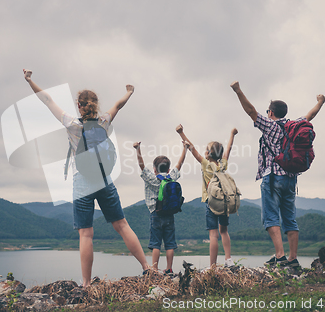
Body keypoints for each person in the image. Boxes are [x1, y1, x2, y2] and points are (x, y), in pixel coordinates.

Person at [23, 69, 149, 286]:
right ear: (96, 104)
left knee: (86, 234)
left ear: (79, 105)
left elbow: (47, 99)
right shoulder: (103, 121)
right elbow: (118, 105)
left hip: (82, 182)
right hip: (104, 179)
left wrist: (29, 80)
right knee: (122, 225)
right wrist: (129, 92)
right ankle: (147, 268)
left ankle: (87, 283)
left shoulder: (72, 124)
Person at [229, 81, 325, 268]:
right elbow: (310, 115)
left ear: (271, 113)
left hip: (272, 177)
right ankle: (293, 258)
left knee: (271, 217)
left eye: (268, 112)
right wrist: (320, 102)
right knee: (290, 218)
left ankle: (280, 256)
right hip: (291, 178)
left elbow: (250, 111)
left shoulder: (270, 126)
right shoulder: (295, 125)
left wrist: (238, 90)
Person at [176, 124, 238, 268]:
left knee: (213, 235)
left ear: (209, 153)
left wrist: (181, 133)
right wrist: (232, 134)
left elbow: (192, 149)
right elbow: (228, 150)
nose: (204, 151)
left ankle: (213, 266)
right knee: (224, 231)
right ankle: (228, 260)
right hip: (224, 202)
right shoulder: (223, 164)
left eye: (206, 149)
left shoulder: (206, 164)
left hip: (211, 203)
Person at [133, 140, 190, 274]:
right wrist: (185, 149)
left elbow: (141, 166)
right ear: (168, 169)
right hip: (170, 214)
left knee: (156, 244)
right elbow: (179, 164)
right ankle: (169, 268)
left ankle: (154, 269)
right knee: (170, 244)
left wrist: (138, 149)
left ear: (154, 169)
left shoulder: (152, 179)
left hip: (155, 214)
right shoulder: (172, 177)